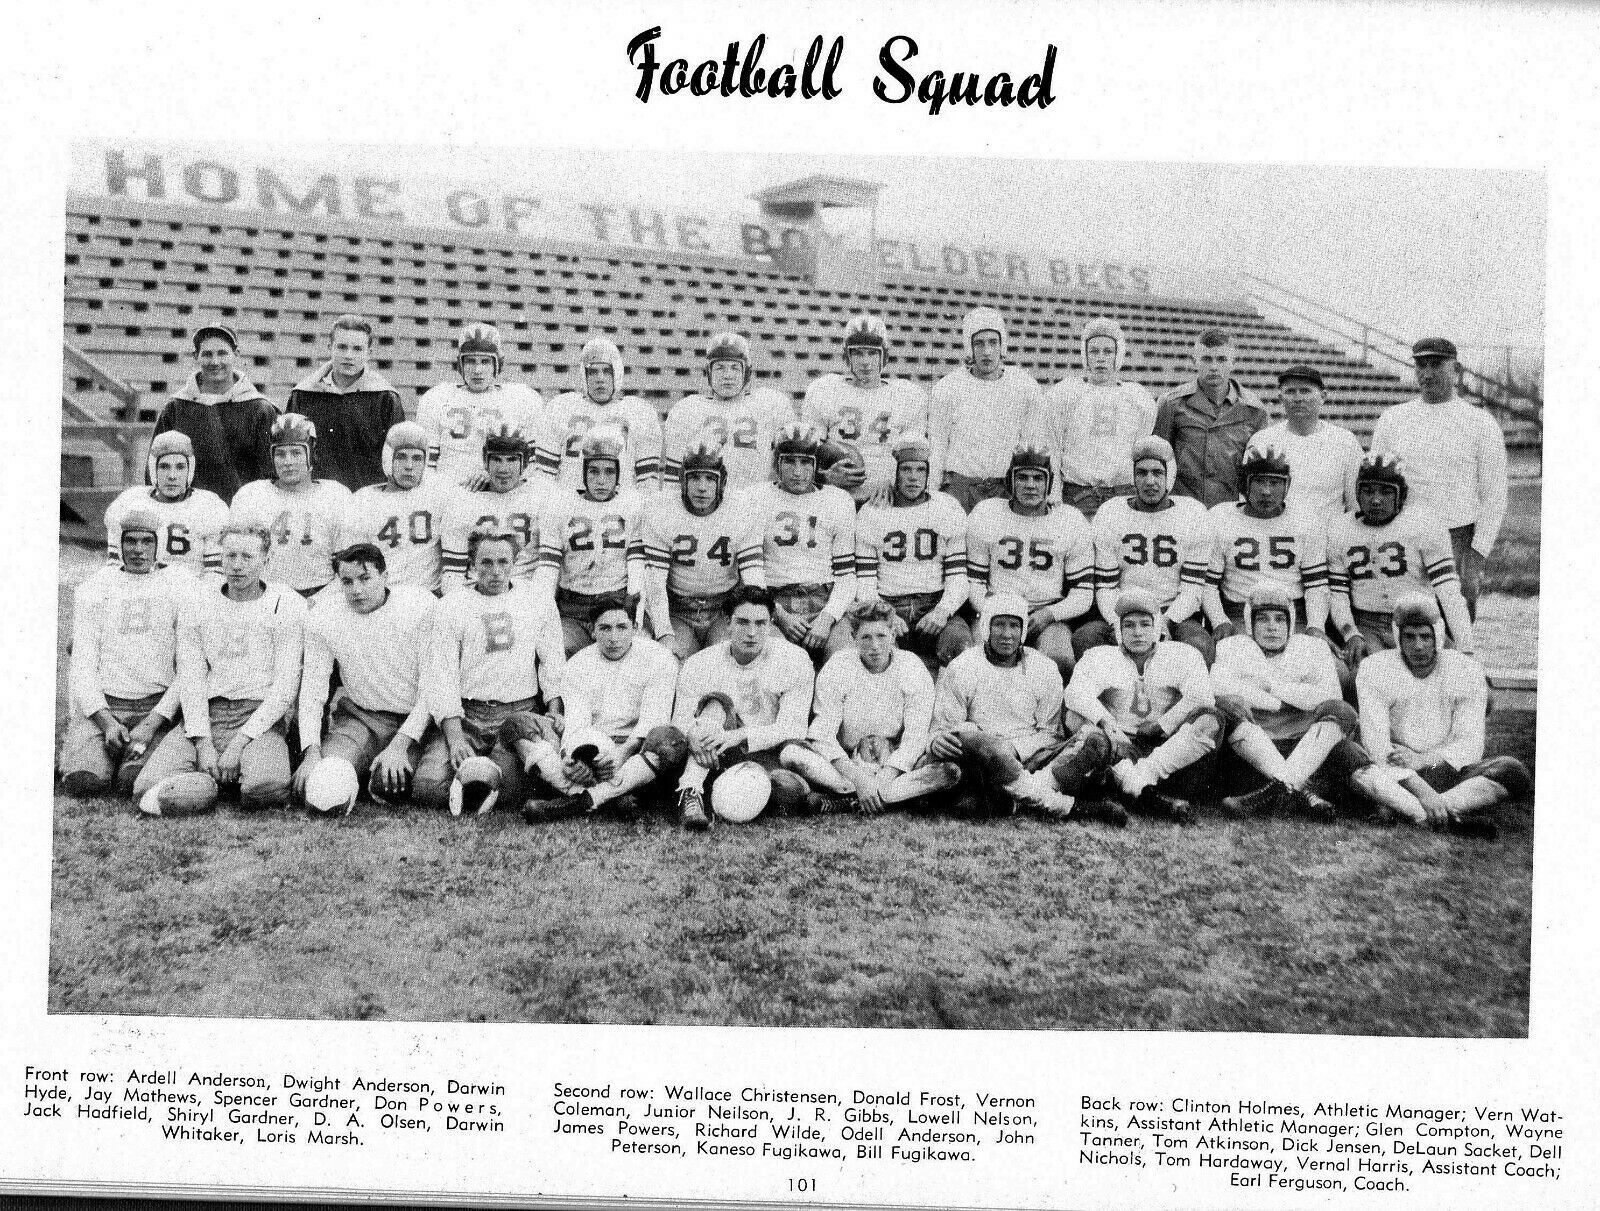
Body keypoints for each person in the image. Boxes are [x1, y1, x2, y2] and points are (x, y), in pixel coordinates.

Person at [131, 524, 306, 811]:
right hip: (209, 713)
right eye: (230, 556)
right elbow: (191, 677)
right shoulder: (200, 602)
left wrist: (239, 743)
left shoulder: (286, 603)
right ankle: (207, 784)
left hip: (259, 716)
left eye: (247, 557)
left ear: (266, 560)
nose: (236, 566)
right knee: (145, 791)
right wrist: (202, 743)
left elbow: (286, 688)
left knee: (265, 792)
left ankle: (223, 778)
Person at [414, 529, 566, 814]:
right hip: (468, 715)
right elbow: (442, 675)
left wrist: (554, 711)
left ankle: (485, 776)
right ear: (472, 564)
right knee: (427, 789)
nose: (495, 571)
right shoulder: (451, 606)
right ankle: (476, 775)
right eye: (486, 562)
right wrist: (456, 737)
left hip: (517, 715)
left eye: (503, 562)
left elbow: (552, 662)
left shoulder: (537, 601)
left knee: (509, 794)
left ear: (515, 562)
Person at [1353, 593, 1529, 838]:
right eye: (1409, 637)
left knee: (1511, 770)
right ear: (1398, 637)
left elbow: (1470, 744)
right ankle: (1440, 815)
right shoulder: (1375, 668)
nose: (1418, 646)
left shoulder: (1465, 669)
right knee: (1355, 761)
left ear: (1438, 634)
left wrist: (1425, 760)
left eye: (1425, 636)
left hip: (1444, 766)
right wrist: (1421, 788)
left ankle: (1417, 811)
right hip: (1395, 769)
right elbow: (1376, 745)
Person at [1210, 582, 1381, 820]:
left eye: (1280, 619)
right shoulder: (1232, 646)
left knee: (1342, 714)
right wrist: (1283, 703)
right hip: (1254, 750)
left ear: (1290, 623)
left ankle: (1275, 791)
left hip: (1306, 745)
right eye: (1263, 620)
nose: (1272, 628)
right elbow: (1220, 687)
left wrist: (1270, 686)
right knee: (1226, 707)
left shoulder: (1312, 648)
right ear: (1250, 623)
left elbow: (1328, 697)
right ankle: (1303, 793)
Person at [1369, 337, 1508, 618]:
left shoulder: (1480, 421)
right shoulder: (1393, 419)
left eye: (1436, 365)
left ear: (1455, 369)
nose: (1428, 373)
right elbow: (1377, 482)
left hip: (1457, 536)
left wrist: (1478, 553)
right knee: (1404, 621)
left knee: (1456, 628)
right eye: (1421, 365)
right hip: (1403, 534)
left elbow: (1494, 494)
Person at [513, 601, 690, 821]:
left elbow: (654, 719)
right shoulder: (578, 665)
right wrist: (571, 760)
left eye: (621, 627)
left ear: (635, 627)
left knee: (670, 739)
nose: (614, 637)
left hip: (637, 750)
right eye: (605, 628)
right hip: (595, 751)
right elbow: (577, 724)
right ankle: (615, 796)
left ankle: (579, 802)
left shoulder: (659, 658)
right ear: (593, 630)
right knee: (517, 724)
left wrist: (623, 753)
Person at [1059, 588, 1222, 821]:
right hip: (1120, 746)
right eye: (1129, 625)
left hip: (1168, 748)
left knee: (1210, 719)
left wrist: (1162, 725)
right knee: (1075, 716)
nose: (1137, 633)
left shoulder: (1183, 654)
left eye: (1145, 624)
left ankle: (1138, 782)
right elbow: (1075, 693)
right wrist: (1107, 722)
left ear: (1157, 627)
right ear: (1118, 630)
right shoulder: (1099, 656)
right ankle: (1147, 796)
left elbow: (1202, 696)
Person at [293, 544, 436, 808]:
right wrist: (311, 752)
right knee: (323, 780)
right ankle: (355, 771)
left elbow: (434, 688)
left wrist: (400, 744)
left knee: (390, 785)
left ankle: (373, 774)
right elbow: (313, 690)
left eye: (365, 578)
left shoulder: (419, 606)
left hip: (413, 720)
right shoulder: (324, 616)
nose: (356, 590)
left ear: (385, 576)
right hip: (362, 717)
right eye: (347, 581)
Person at [61, 511, 192, 798]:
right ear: (119, 544)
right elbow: (82, 665)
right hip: (105, 706)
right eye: (130, 541)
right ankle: (95, 747)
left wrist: (153, 723)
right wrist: (106, 721)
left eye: (147, 541)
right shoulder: (96, 587)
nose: (138, 549)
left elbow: (190, 666)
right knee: (85, 782)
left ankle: (138, 753)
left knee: (132, 781)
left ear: (160, 545)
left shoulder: (181, 585)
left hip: (154, 709)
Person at [670, 586, 817, 829]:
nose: (751, 632)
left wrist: (737, 736)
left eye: (760, 623)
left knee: (787, 788)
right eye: (742, 622)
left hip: (767, 750)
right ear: (727, 623)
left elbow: (793, 727)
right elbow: (680, 721)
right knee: (717, 703)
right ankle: (691, 792)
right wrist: (694, 736)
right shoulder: (700, 663)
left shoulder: (794, 659)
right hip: (713, 753)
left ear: (771, 624)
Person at [796, 599, 959, 814]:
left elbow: (915, 735)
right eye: (866, 637)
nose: (874, 646)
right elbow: (823, 734)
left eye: (881, 636)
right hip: (847, 762)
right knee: (793, 755)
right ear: (854, 638)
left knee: (948, 772)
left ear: (893, 634)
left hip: (894, 760)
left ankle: (848, 801)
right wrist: (859, 778)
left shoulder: (911, 666)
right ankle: (891, 797)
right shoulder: (838, 665)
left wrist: (885, 775)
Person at [923, 593, 1077, 818]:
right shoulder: (962, 666)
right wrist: (937, 741)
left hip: (1032, 757)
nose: (1007, 634)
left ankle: (1007, 798)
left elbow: (1050, 733)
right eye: (999, 625)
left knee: (1091, 742)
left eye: (1014, 626)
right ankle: (1054, 802)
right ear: (986, 627)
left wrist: (1012, 751)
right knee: (975, 744)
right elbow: (946, 727)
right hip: (981, 753)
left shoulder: (1044, 668)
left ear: (1024, 630)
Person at [1077, 435, 1214, 665]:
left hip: (1173, 611)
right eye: (1142, 473)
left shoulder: (1193, 514)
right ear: (1133, 476)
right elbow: (1106, 586)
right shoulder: (1111, 513)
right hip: (1124, 611)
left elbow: (1192, 589)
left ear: (1169, 475)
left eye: (1157, 473)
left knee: (1199, 644)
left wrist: (1166, 622)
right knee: (1086, 638)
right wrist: (1116, 623)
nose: (1150, 481)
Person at [1327, 454, 1474, 665]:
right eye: (1368, 491)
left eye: (1386, 492)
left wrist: (1466, 650)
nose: (1376, 500)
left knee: (1475, 690)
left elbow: (1449, 593)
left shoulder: (1423, 523)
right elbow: (1337, 594)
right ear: (1357, 492)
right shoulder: (1340, 528)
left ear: (1402, 495)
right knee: (1367, 679)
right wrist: (1351, 634)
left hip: (1419, 622)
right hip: (1368, 626)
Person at [966, 444, 1094, 681]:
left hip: (1046, 613)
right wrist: (998, 612)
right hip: (997, 611)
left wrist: (1050, 614)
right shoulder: (987, 514)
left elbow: (1083, 594)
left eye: (1038, 478)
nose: (1030, 485)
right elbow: (974, 585)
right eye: (1022, 477)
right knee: (974, 661)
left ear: (1050, 483)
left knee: (1059, 660)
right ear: (1010, 481)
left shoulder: (1070, 520)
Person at [854, 433, 972, 675]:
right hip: (888, 602)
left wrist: (943, 610)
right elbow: (865, 579)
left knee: (961, 647)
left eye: (920, 470)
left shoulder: (946, 507)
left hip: (934, 601)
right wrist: (884, 613)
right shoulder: (873, 511)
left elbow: (958, 576)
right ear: (894, 473)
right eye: (906, 469)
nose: (913, 477)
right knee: (876, 652)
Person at [641, 439, 765, 660]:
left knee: (727, 659)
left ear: (722, 482)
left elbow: (753, 578)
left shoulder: (743, 511)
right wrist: (664, 632)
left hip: (724, 608)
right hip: (677, 609)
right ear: (682, 480)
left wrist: (750, 621)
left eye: (710, 478)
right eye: (695, 477)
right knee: (673, 658)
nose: (702, 487)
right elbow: (655, 584)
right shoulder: (661, 511)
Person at [745, 423, 858, 665]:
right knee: (773, 660)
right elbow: (751, 570)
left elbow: (847, 575)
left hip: (824, 599)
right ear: (777, 464)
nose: (798, 472)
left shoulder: (837, 501)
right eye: (789, 462)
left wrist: (827, 618)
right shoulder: (756, 497)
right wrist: (779, 614)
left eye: (805, 462)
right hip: (774, 599)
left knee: (844, 659)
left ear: (817, 465)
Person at [1030, 316, 1157, 519]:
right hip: (1078, 494)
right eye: (1094, 351)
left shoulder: (1137, 398)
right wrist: (1053, 493)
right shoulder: (1066, 393)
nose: (1100, 358)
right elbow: (1052, 446)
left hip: (1123, 495)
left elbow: (1142, 453)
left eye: (1108, 351)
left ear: (1118, 355)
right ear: (1085, 355)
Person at [535, 426, 646, 656]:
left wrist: (635, 610)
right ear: (583, 473)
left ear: (619, 474)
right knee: (560, 648)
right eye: (594, 471)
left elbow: (636, 564)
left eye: (609, 472)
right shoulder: (560, 506)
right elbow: (548, 567)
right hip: (573, 607)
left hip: (615, 603)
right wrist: (543, 612)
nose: (601, 480)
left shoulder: (632, 505)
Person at [1202, 446, 1331, 639]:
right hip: (1239, 613)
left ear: (1287, 485)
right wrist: (1219, 620)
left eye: (1275, 482)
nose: (1266, 491)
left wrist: (1316, 624)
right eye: (1259, 482)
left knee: (1335, 668)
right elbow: (1208, 583)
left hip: (1292, 614)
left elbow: (1316, 585)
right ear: (1245, 484)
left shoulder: (1306, 520)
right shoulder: (1221, 517)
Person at [802, 315, 929, 504]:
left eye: (872, 353)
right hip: (833, 497)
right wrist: (826, 477)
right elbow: (807, 454)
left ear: (884, 356)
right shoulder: (824, 390)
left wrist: (893, 481)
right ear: (847, 356)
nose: (865, 362)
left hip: (886, 499)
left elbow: (912, 460)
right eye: (858, 353)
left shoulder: (907, 395)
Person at [928, 307, 1043, 512]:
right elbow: (937, 447)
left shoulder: (1024, 386)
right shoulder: (948, 387)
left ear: (1002, 345)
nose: (987, 351)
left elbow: (1031, 444)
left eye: (993, 342)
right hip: (960, 488)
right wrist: (931, 493)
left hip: (1006, 489)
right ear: (969, 347)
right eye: (979, 343)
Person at [150, 324, 278, 504]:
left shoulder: (260, 409)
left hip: (242, 514)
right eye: (207, 354)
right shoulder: (176, 408)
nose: (215, 361)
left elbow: (272, 475)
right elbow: (154, 469)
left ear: (236, 354)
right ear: (196, 357)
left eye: (222, 353)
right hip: (188, 514)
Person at [228, 415, 352, 599]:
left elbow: (347, 566)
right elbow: (237, 559)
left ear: (312, 454)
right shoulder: (251, 495)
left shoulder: (336, 495)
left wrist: (322, 600)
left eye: (296, 453)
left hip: (321, 595)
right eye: (280, 454)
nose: (287, 462)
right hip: (266, 597)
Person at [284, 314, 404, 491]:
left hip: (367, 501)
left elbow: (396, 459)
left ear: (369, 353)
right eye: (342, 347)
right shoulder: (303, 394)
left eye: (357, 349)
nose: (349, 355)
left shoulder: (385, 397)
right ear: (329, 347)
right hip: (316, 500)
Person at [415, 322, 543, 487]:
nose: (477, 370)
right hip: (448, 491)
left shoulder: (520, 399)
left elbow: (531, 465)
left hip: (499, 493)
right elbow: (426, 466)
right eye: (470, 361)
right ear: (460, 364)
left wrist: (495, 478)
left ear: (497, 365)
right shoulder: (437, 398)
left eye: (485, 361)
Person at [1153, 328, 1269, 508]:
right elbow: (1157, 461)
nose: (1214, 367)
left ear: (1233, 362)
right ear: (1194, 362)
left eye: (1221, 359)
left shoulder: (1254, 410)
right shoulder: (1171, 404)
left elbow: (1260, 471)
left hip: (1231, 511)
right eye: (1206, 359)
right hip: (1183, 509)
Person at [534, 338, 663, 493]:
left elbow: (647, 483)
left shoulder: (639, 412)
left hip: (621, 507)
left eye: (607, 371)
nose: (600, 379)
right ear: (584, 375)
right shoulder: (561, 407)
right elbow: (544, 477)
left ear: (617, 373)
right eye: (593, 372)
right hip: (569, 505)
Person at [662, 332, 788, 489]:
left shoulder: (770, 404)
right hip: (706, 506)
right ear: (709, 372)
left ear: (747, 372)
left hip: (755, 503)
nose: (727, 376)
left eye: (735, 368)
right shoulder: (688, 409)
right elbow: (673, 477)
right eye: (720, 368)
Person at [339, 421, 448, 595]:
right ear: (388, 458)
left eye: (417, 458)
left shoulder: (440, 494)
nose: (409, 466)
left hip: (429, 595)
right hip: (383, 597)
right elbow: (354, 563)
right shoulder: (364, 500)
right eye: (401, 457)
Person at [437, 425, 549, 593]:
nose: (503, 469)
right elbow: (453, 572)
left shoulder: (542, 497)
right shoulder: (464, 499)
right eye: (496, 459)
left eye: (512, 460)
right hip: (477, 591)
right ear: (485, 462)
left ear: (524, 463)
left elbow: (547, 568)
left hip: (524, 591)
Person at [1245, 365, 1363, 521]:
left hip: (1326, 537)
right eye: (1290, 392)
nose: (1298, 398)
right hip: (1278, 537)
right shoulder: (1262, 440)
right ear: (1281, 398)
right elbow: (1248, 501)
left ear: (1323, 396)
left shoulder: (1345, 441)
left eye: (1306, 391)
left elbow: (1356, 505)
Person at [104, 430, 228, 577]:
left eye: (180, 467)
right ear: (153, 468)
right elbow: (115, 568)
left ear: (190, 469)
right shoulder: (130, 501)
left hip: (192, 593)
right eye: (164, 467)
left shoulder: (208, 506)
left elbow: (215, 574)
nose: (172, 476)